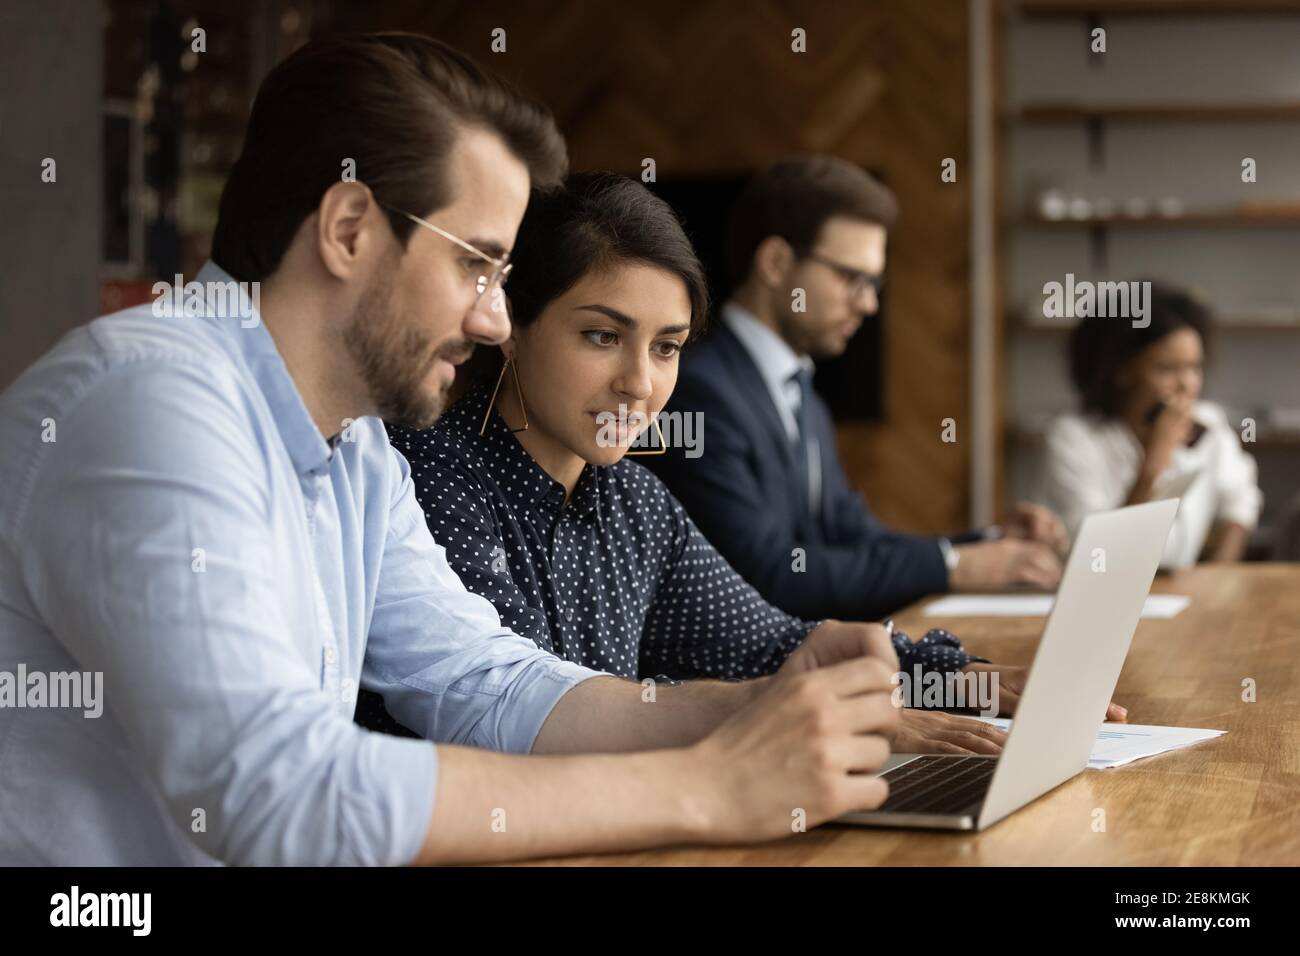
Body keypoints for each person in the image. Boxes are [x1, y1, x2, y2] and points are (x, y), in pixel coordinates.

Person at [0, 34, 905, 866]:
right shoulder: (152, 403)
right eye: (476, 265)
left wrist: (765, 709)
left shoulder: (353, 446)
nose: (493, 317)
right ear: (349, 227)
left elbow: (486, 682)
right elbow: (274, 790)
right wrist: (708, 787)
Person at [371, 171, 1032, 756]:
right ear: (512, 323)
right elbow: (511, 718)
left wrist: (953, 680)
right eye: (602, 336)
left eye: (666, 347)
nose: (639, 383)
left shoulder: (633, 500)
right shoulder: (431, 476)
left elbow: (768, 645)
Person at [646, 155, 1067, 622]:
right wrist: (956, 566)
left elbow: (854, 537)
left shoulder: (804, 396)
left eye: (874, 283)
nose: (868, 304)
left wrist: (990, 546)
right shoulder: (696, 391)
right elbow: (767, 575)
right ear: (776, 262)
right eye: (852, 278)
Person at [1040, 282, 1262, 567]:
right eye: (1167, 369)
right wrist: (1152, 467)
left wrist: (1221, 571)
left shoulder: (1209, 423)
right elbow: (1101, 556)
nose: (1187, 385)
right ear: (1121, 371)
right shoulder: (1073, 438)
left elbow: (1240, 500)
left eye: (1195, 367)